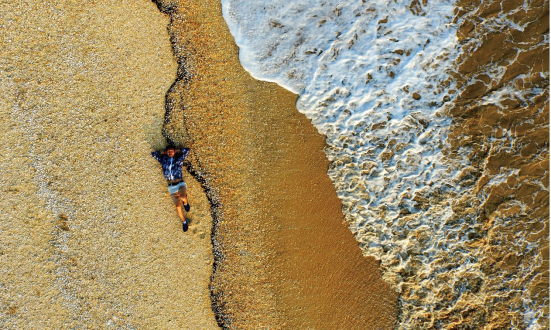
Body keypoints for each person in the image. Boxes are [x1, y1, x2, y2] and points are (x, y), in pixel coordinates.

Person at [151, 145, 191, 232]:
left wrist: (176, 151)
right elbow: (153, 154)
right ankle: (184, 222)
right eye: (168, 151)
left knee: (183, 197)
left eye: (171, 151)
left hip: (180, 183)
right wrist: (164, 152)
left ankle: (186, 202)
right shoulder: (163, 160)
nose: (170, 152)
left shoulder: (179, 159)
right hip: (171, 186)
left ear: (174, 151)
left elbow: (187, 150)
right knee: (177, 206)